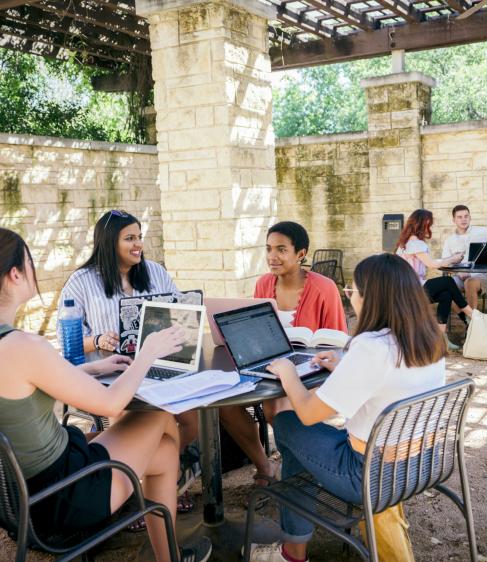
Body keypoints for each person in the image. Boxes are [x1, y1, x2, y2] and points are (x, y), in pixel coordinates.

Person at [0, 228, 211, 562]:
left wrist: (91, 370)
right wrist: (148, 352)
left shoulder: (11, 346)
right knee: (155, 413)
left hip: (16, 496)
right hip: (62, 496)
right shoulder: (24, 346)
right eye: (29, 262)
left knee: (166, 451)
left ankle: (169, 557)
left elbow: (24, 388)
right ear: (15, 274)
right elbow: (113, 404)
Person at [247, 253, 447, 562]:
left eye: (352, 292)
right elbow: (389, 380)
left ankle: (293, 551)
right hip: (423, 464)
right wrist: (344, 366)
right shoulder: (428, 338)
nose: (350, 298)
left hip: (369, 476)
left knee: (288, 423)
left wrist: (288, 374)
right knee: (302, 440)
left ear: (372, 298)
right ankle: (293, 549)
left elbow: (309, 413)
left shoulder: (371, 346)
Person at [58, 210, 198, 516]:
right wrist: (96, 341)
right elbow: (67, 345)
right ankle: (143, 494)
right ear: (109, 243)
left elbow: (183, 314)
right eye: (130, 239)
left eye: (139, 237)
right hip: (111, 376)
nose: (139, 245)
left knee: (191, 418)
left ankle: (164, 480)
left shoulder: (155, 272)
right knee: (134, 418)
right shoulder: (82, 282)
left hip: (162, 365)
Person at [219, 221, 348, 486]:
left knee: (276, 410)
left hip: (312, 372)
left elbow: (337, 342)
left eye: (281, 249)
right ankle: (264, 465)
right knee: (224, 405)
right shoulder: (264, 284)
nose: (272, 257)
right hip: (269, 367)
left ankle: (297, 483)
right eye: (268, 249)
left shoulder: (324, 287)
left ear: (301, 254)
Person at [396, 209, 474, 350]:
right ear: (421, 224)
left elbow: (430, 261)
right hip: (411, 289)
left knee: (446, 294)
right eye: (428, 224)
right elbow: (431, 264)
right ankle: (470, 314)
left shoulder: (407, 242)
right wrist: (452, 258)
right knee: (448, 281)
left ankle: (440, 339)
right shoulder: (414, 243)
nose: (429, 227)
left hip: (409, 288)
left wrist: (449, 260)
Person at [442, 204, 487, 313]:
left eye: (466, 216)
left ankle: (473, 322)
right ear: (453, 220)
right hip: (460, 275)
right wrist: (459, 272)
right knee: (445, 287)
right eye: (459, 217)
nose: (463, 219)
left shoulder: (483, 231)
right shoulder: (449, 241)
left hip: (483, 275)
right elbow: (445, 262)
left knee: (470, 282)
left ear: (470, 217)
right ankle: (468, 320)